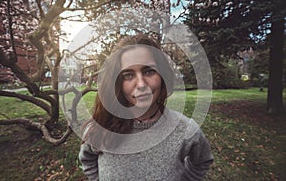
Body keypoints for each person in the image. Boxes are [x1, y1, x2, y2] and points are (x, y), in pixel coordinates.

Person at [79, 34, 214, 181]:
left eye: (149, 71)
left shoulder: (185, 130)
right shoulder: (100, 127)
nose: (142, 84)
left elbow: (202, 161)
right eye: (128, 75)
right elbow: (87, 159)